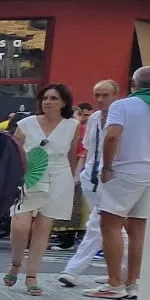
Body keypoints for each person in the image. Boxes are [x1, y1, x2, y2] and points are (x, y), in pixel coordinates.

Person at [88, 66, 150, 300]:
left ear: (133, 83)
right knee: (138, 229)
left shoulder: (121, 106)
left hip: (124, 171)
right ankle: (132, 283)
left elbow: (112, 136)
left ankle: (114, 283)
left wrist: (107, 166)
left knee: (110, 225)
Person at [7, 84, 76, 295]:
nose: (48, 102)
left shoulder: (72, 125)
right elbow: (14, 152)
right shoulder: (26, 124)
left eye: (54, 98)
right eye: (45, 98)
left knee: (43, 227)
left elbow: (72, 155)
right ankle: (16, 263)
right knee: (20, 225)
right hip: (30, 173)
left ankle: (32, 276)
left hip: (58, 175)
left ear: (63, 102)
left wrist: (72, 179)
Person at [59, 79, 119, 286]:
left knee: (98, 223)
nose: (100, 99)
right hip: (91, 178)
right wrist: (81, 174)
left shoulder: (122, 117)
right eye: (97, 95)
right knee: (110, 227)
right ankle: (120, 272)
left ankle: (73, 269)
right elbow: (88, 150)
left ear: (116, 95)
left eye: (105, 95)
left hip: (111, 179)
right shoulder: (94, 118)